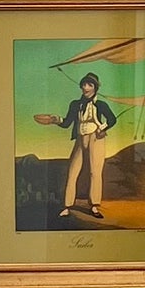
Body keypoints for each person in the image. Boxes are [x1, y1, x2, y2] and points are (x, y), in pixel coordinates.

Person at [37, 72, 116, 220]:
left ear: (95, 88)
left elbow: (112, 119)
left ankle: (93, 205)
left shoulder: (101, 104)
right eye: (84, 84)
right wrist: (56, 120)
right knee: (72, 172)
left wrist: (102, 129)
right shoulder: (75, 104)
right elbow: (67, 123)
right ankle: (67, 206)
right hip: (80, 139)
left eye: (89, 85)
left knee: (95, 172)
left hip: (96, 139)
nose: (86, 87)